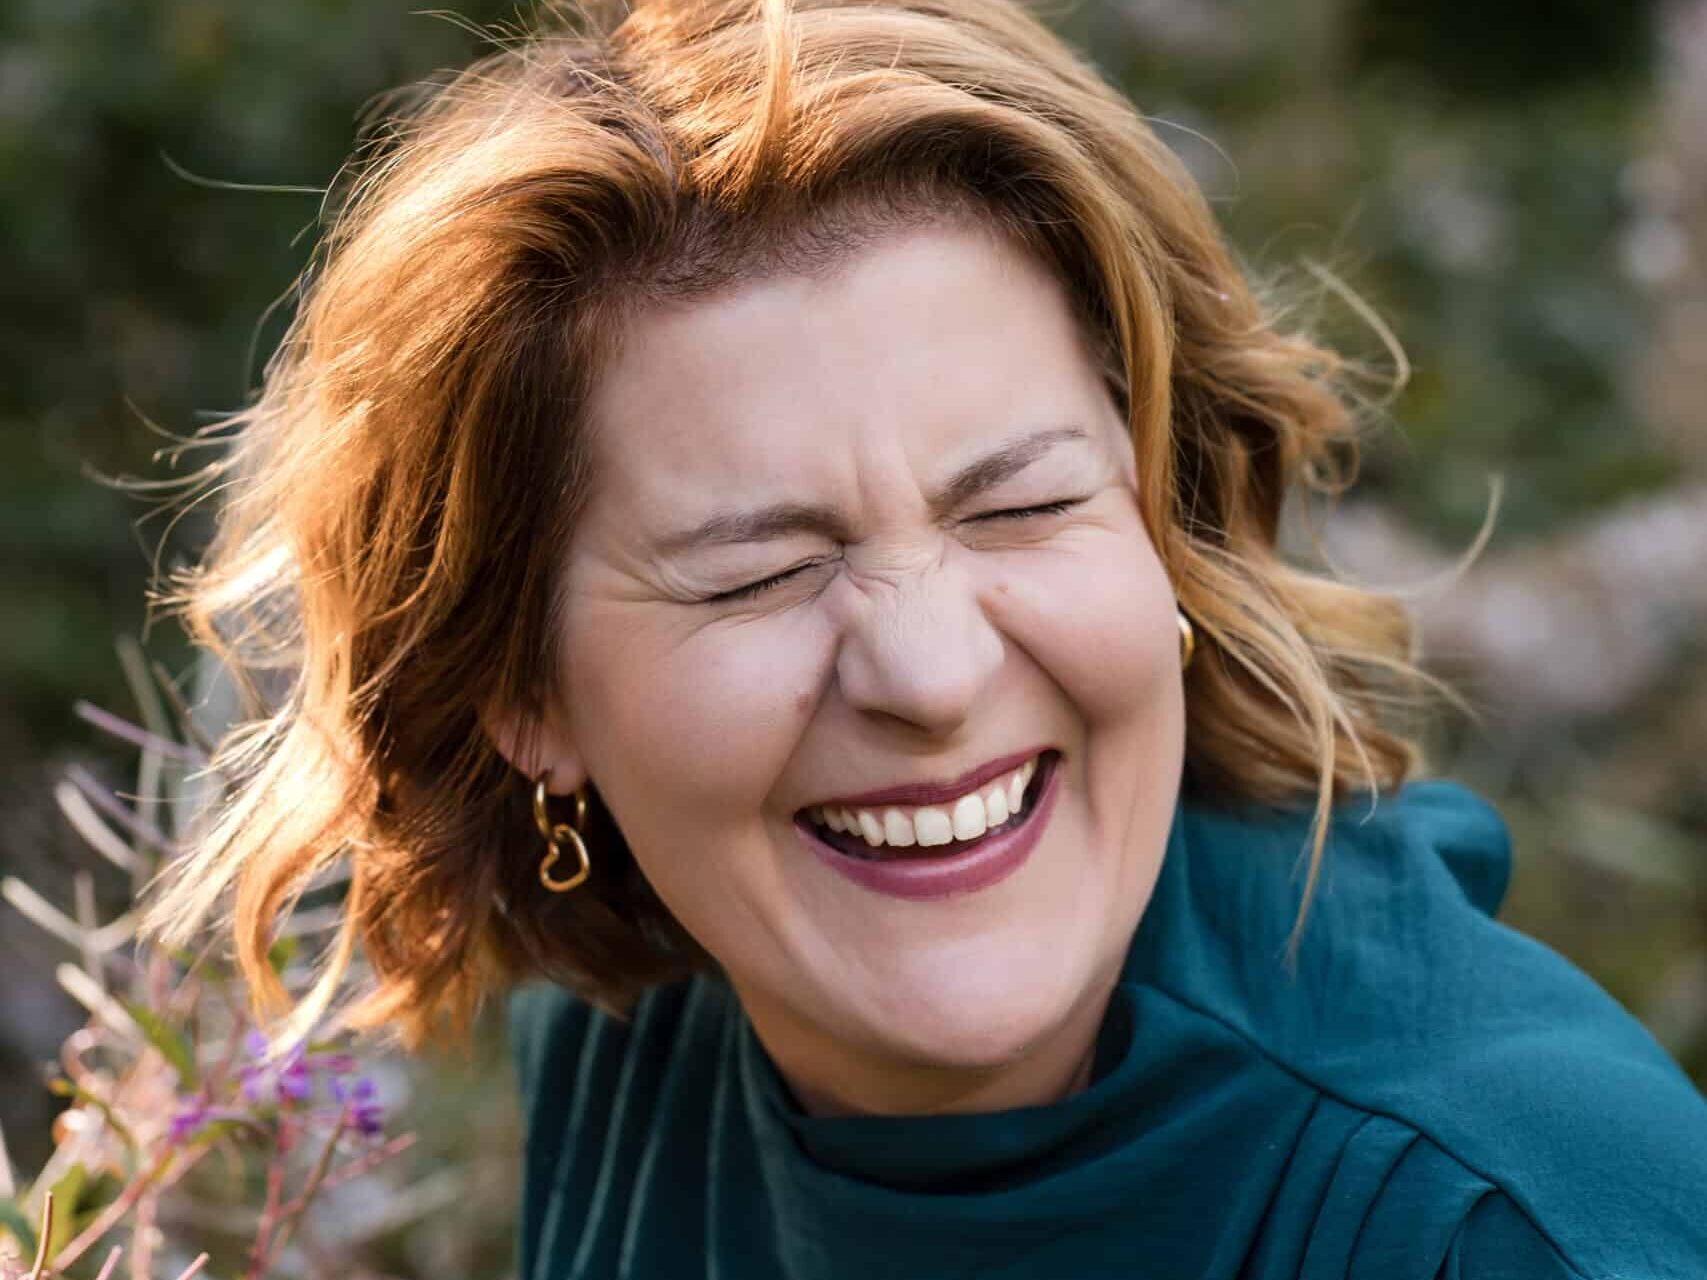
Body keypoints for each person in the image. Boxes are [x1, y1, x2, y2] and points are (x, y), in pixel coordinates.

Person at [140, 0, 1707, 1274]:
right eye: (758, 575)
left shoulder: (1505, 1227)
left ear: (1162, 521)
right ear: (521, 693)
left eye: (1019, 507)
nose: (936, 675)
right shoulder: (636, 1035)